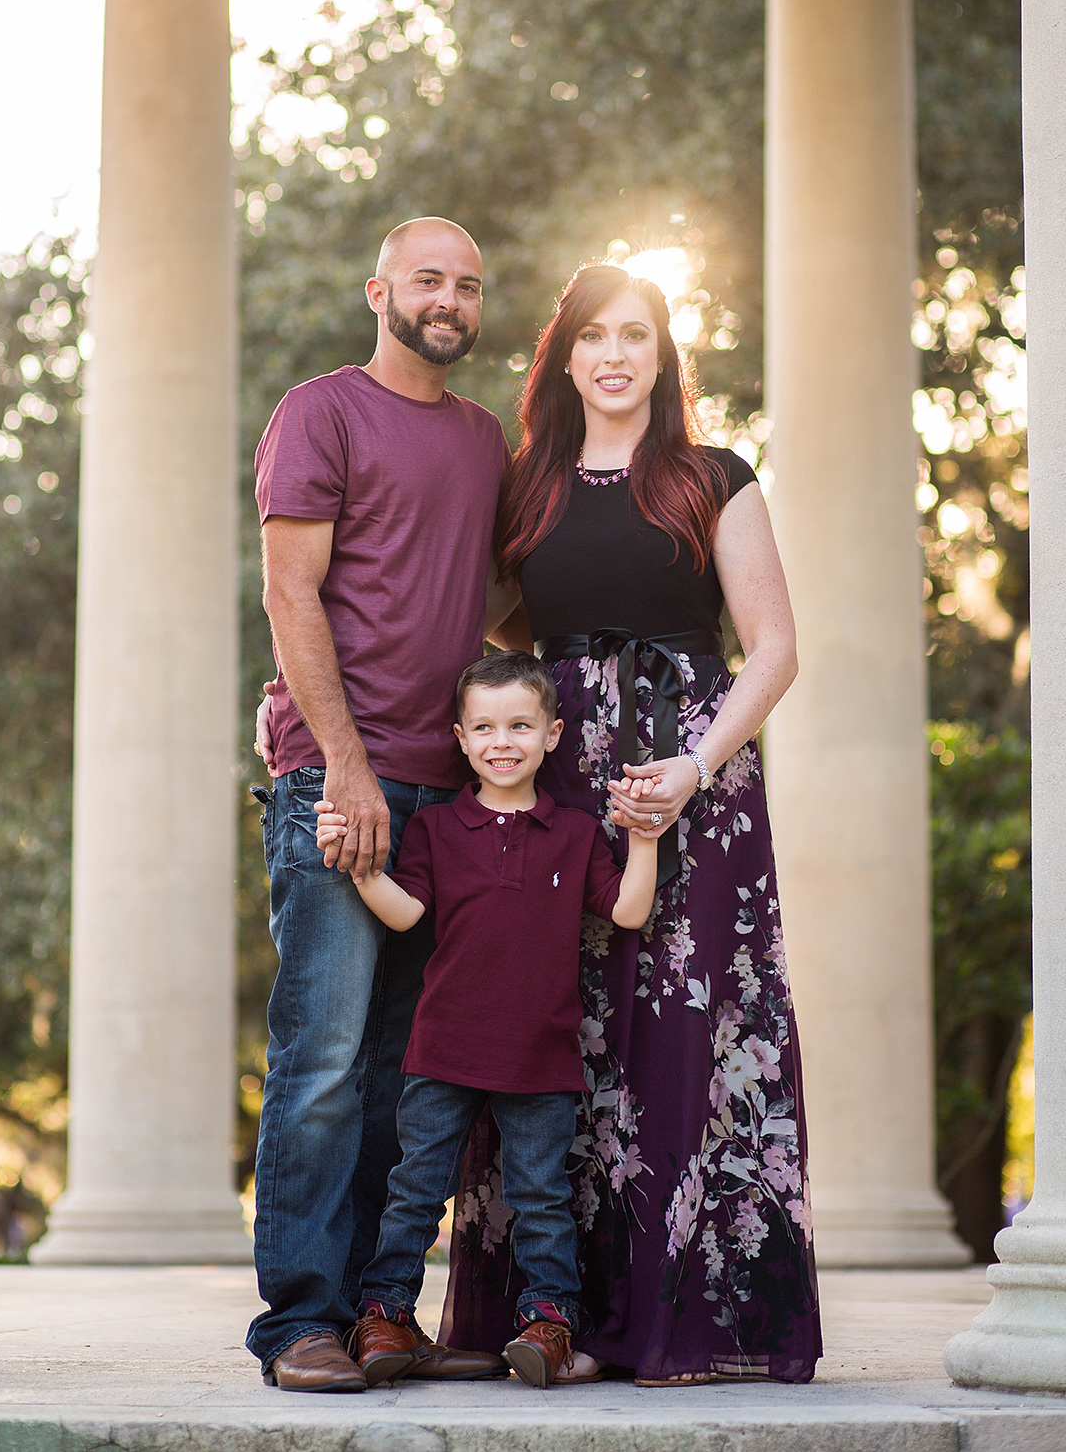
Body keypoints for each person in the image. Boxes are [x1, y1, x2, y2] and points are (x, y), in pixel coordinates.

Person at [442, 262, 822, 1385]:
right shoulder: (528, 491)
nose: (615, 355)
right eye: (594, 336)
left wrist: (695, 769)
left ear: (663, 358)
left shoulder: (713, 477)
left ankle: (684, 1319)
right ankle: (555, 1313)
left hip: (695, 779)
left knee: (688, 1028)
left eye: (638, 337)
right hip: (562, 784)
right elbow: (474, 631)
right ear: (565, 358)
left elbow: (778, 648)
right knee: (561, 1023)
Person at [246, 216, 518, 1392]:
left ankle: (376, 1311)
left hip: (451, 794)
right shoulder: (322, 412)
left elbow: (488, 594)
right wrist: (344, 767)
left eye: (466, 284)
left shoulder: (485, 438)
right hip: (338, 780)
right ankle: (299, 1320)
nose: (449, 298)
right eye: (427, 279)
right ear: (379, 291)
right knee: (321, 1060)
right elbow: (290, 591)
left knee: (407, 1077)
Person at [315, 651, 664, 1388]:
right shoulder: (439, 829)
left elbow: (629, 909)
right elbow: (406, 912)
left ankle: (549, 1323)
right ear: (462, 738)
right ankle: (383, 1316)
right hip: (443, 1046)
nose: (502, 740)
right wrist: (355, 860)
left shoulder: (573, 831)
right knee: (416, 1187)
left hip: (541, 1054)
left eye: (519, 725)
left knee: (540, 1194)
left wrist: (645, 836)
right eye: (485, 726)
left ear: (552, 733)